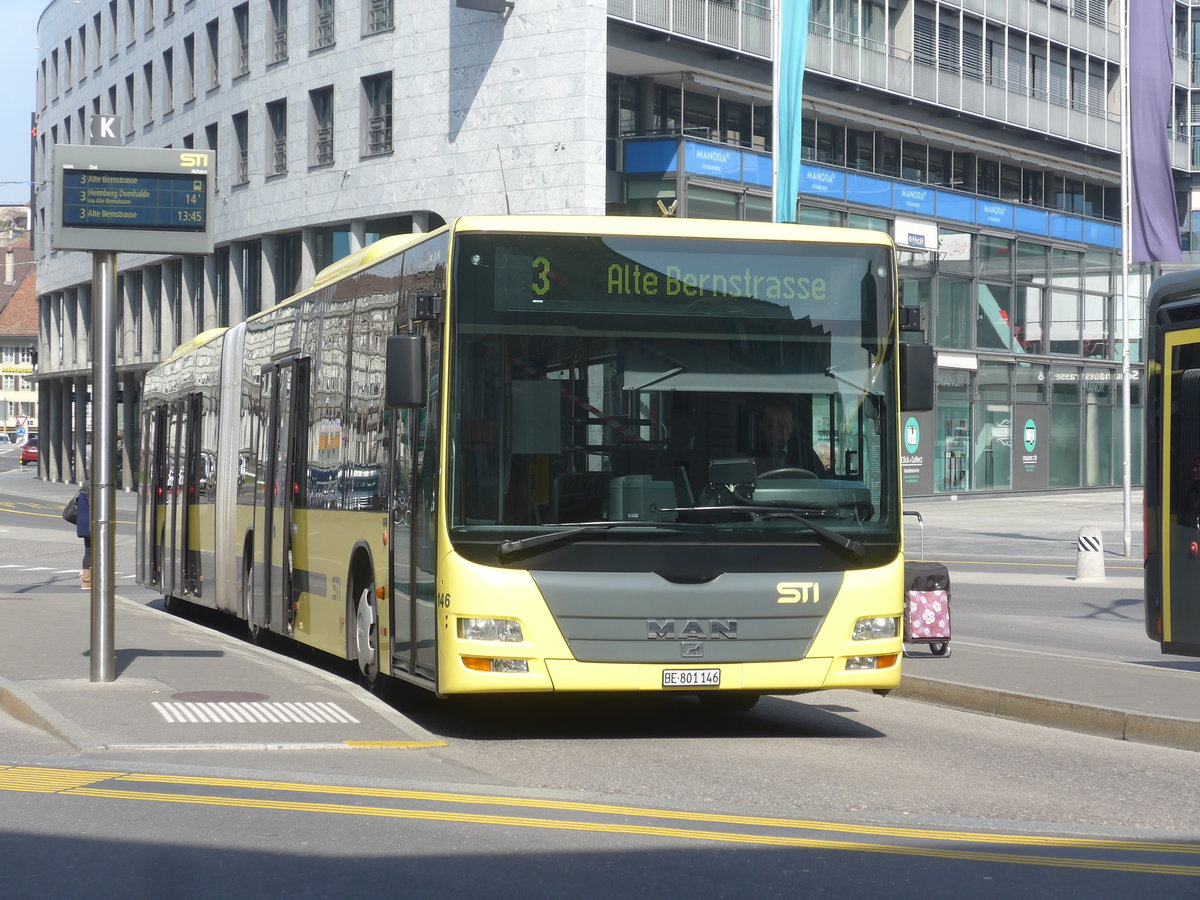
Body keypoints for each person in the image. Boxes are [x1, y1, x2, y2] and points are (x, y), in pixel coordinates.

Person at [755, 400, 828, 476]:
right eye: (771, 427)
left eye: (783, 428)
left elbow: (821, 478)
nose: (777, 435)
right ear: (761, 426)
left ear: (792, 426)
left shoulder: (803, 451)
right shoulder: (752, 451)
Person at [76, 484, 91, 589]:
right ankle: (87, 580)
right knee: (93, 552)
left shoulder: (84, 487)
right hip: (94, 525)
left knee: (88, 551)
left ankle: (86, 580)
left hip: (84, 525)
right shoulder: (95, 486)